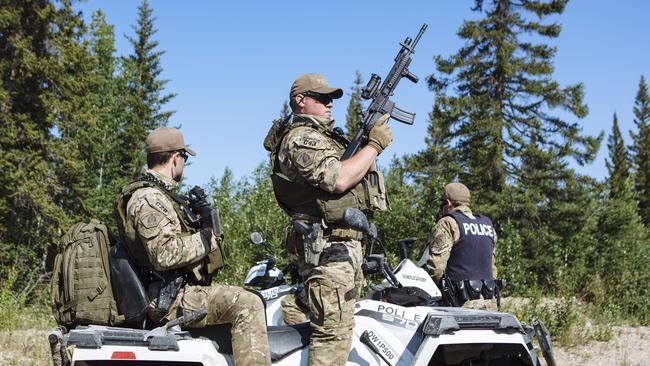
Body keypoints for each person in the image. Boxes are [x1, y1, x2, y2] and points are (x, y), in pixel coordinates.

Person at [264, 73, 393, 365]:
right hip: (328, 252)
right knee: (332, 339)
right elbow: (338, 179)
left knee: (339, 332)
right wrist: (374, 145)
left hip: (341, 251)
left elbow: (354, 172)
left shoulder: (325, 138)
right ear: (300, 101)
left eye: (332, 99)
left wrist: (368, 140)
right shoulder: (300, 138)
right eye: (322, 98)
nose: (330, 104)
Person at [115, 127, 271, 365]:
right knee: (248, 303)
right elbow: (164, 255)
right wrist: (208, 238)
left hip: (176, 291)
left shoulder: (160, 195)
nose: (184, 164)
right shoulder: (149, 198)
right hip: (168, 299)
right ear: (175, 158)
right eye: (184, 158)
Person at [422, 182, 499, 310]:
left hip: (460, 305)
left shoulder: (448, 223)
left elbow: (436, 268)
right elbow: (492, 268)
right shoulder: (487, 225)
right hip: (489, 303)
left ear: (448, 203)